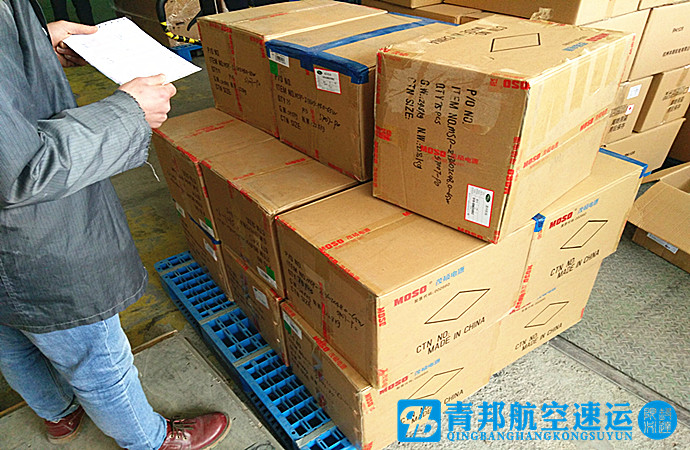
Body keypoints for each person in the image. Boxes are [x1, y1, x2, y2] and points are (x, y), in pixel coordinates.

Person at [0, 1, 230, 449]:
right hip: (32, 240)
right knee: (96, 355)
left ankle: (58, 415)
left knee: (12, 338)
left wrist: (33, 41)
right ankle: (149, 441)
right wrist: (129, 112)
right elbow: (23, 168)